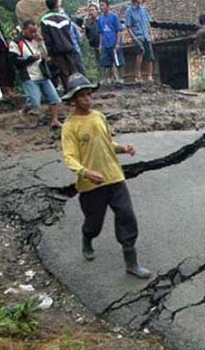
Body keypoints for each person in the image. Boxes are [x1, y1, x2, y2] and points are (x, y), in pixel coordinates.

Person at [60, 73, 151, 279]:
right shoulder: (70, 126)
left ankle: (131, 262)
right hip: (91, 185)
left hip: (114, 177)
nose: (87, 99)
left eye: (89, 94)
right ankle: (87, 238)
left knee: (127, 216)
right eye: (82, 96)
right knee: (94, 223)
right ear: (73, 99)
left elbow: (107, 143)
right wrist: (86, 172)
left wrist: (123, 149)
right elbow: (69, 157)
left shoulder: (99, 117)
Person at [9, 20, 62, 129]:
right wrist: (29, 59)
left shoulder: (37, 40)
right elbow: (13, 60)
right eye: (30, 32)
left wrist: (41, 42)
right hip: (29, 76)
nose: (33, 34)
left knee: (54, 98)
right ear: (24, 30)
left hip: (42, 73)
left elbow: (45, 55)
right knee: (35, 102)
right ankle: (25, 110)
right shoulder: (16, 42)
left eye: (35, 32)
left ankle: (54, 120)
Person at [40, 0, 78, 91]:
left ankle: (69, 92)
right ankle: (77, 90)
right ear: (57, 4)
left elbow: (47, 39)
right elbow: (69, 34)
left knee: (64, 72)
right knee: (73, 70)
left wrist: (49, 53)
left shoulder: (44, 20)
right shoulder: (65, 18)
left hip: (56, 50)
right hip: (69, 47)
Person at [125, 0, 154, 82]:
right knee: (140, 52)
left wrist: (151, 34)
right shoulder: (129, 11)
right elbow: (128, 26)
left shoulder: (143, 10)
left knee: (150, 55)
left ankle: (150, 76)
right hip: (138, 36)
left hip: (146, 36)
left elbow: (148, 23)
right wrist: (133, 37)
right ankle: (138, 75)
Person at [98, 0, 124, 84]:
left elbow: (119, 31)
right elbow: (101, 33)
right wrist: (100, 44)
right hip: (106, 44)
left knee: (118, 62)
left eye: (103, 5)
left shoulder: (114, 17)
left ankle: (120, 78)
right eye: (100, 5)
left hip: (114, 43)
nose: (101, 7)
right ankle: (108, 79)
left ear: (107, 6)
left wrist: (117, 43)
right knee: (106, 63)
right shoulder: (100, 19)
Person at [84, 4, 102, 80]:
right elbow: (87, 34)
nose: (91, 12)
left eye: (92, 10)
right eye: (89, 10)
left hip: (103, 45)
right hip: (93, 46)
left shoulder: (101, 20)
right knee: (97, 64)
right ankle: (101, 79)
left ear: (97, 11)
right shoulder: (88, 23)